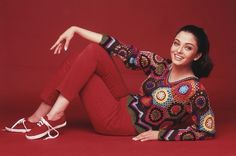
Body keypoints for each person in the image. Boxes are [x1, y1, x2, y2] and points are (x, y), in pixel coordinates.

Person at [4, 25, 216, 141]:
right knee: (91, 53)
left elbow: (205, 130)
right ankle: (40, 116)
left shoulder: (195, 91)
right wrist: (76, 29)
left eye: (187, 48)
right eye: (176, 43)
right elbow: (119, 48)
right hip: (124, 101)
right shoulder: (161, 65)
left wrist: (161, 134)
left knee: (79, 67)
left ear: (197, 55)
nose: (178, 50)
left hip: (119, 122)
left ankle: (52, 116)